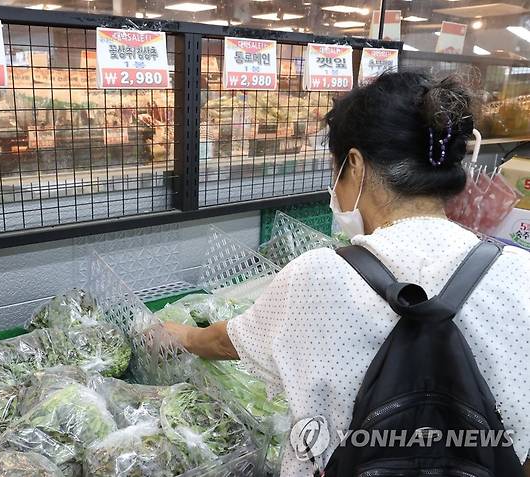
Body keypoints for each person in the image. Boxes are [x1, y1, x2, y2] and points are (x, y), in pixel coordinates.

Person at [163, 71, 530, 476]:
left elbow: (228, 341)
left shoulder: (319, 277)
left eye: (335, 166)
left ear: (354, 164)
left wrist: (178, 335)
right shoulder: (520, 273)